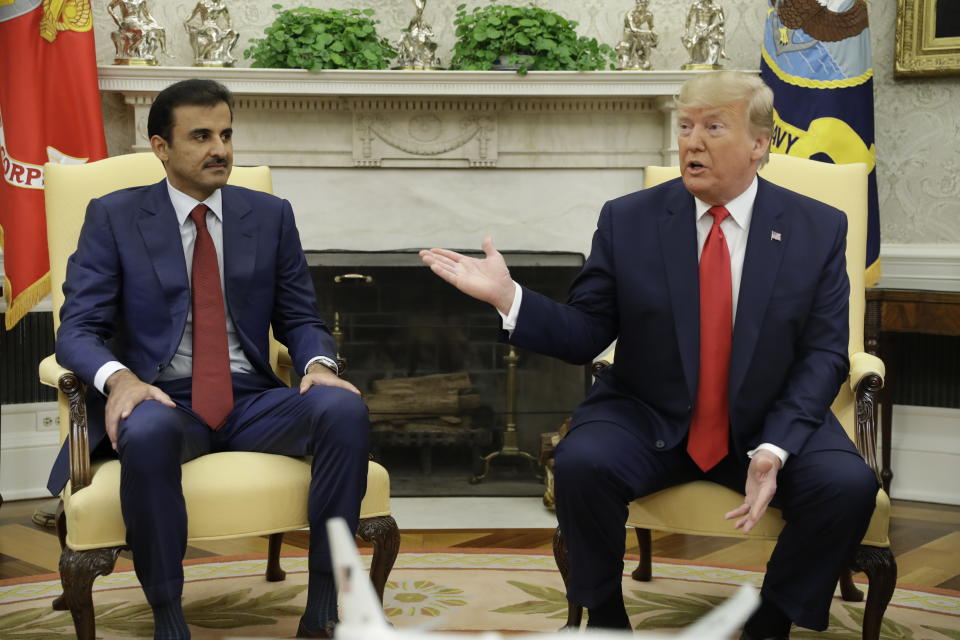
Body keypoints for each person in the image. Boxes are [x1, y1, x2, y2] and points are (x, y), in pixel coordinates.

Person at [420, 71, 877, 638]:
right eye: (685, 127)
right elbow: (587, 332)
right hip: (648, 410)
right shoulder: (628, 219)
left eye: (713, 127)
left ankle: (773, 615)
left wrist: (778, 445)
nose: (693, 141)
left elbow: (825, 353)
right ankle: (605, 615)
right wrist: (509, 298)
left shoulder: (817, 228)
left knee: (848, 487)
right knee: (582, 463)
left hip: (769, 417)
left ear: (759, 144)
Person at [48, 79, 369, 640]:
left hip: (252, 399)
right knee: (143, 431)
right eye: (200, 136)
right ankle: (169, 615)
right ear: (161, 147)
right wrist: (120, 380)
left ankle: (322, 604)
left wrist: (319, 364)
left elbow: (301, 319)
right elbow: (78, 328)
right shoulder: (115, 217)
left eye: (225, 134)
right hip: (163, 396)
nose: (219, 149)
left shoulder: (269, 216)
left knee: (342, 411)